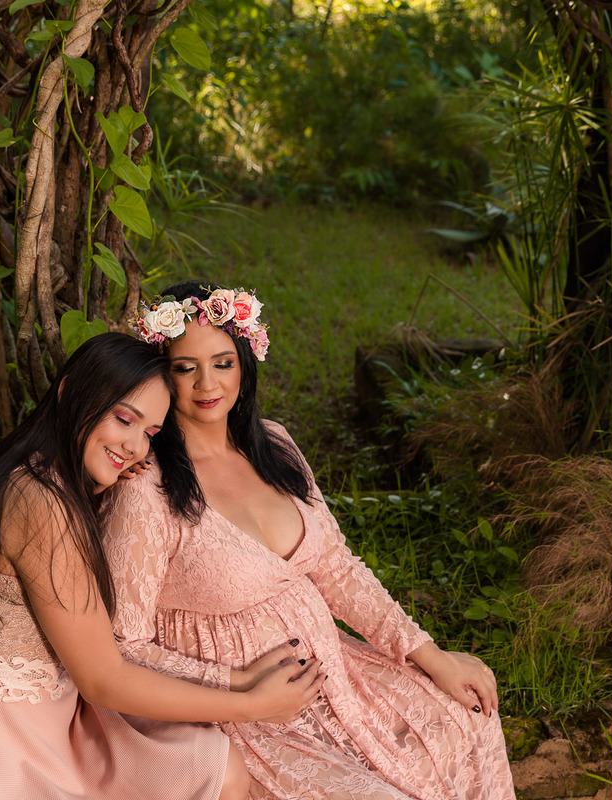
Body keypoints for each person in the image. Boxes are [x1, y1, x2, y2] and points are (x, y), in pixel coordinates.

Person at [0, 332, 325, 800]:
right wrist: (251, 705)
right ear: (70, 392)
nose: (135, 447)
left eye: (149, 434)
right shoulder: (38, 503)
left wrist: (237, 679)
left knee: (212, 761)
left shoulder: (38, 473)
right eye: (124, 419)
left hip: (57, 712)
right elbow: (104, 679)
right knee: (212, 766)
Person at [107, 284, 515, 799]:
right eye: (185, 368)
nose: (207, 384)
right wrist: (235, 685)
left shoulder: (274, 443)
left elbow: (337, 568)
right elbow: (126, 645)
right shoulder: (147, 487)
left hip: (336, 677)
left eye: (223, 363)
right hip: (244, 713)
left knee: (467, 717)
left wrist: (433, 657)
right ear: (161, 375)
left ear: (245, 364)